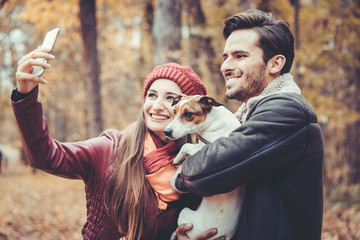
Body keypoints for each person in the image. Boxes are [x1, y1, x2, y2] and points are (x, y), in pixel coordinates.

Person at [11, 49, 221, 240]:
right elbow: (46, 156)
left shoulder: (194, 164)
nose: (157, 106)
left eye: (171, 99)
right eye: (152, 95)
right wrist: (26, 96)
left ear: (189, 111)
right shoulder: (109, 148)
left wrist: (181, 236)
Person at [173, 9, 324, 240]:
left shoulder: (287, 111)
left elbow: (208, 172)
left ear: (275, 64)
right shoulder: (249, 115)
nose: (225, 66)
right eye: (225, 57)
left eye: (240, 56)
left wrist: (175, 178)